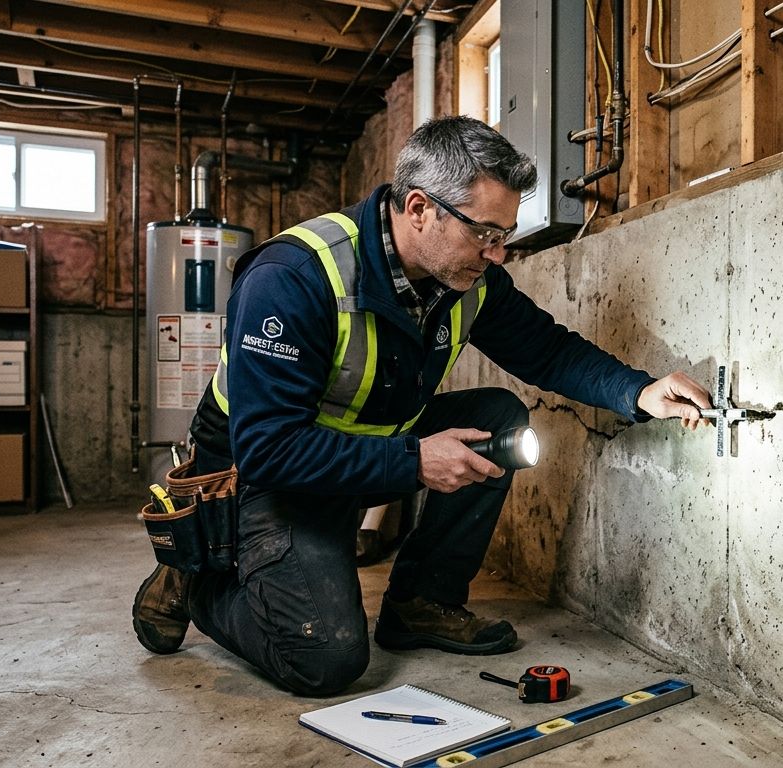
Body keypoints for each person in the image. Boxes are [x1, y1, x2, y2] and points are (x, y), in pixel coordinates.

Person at [131, 115, 712, 696]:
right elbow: (267, 450)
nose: (499, 253)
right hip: (264, 475)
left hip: (368, 449)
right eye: (485, 233)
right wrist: (412, 461)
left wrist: (639, 391)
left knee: (497, 421)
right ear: (418, 208)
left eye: (504, 234)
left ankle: (421, 603)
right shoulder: (294, 278)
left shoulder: (468, 277)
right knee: (323, 657)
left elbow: (545, 350)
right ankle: (198, 577)